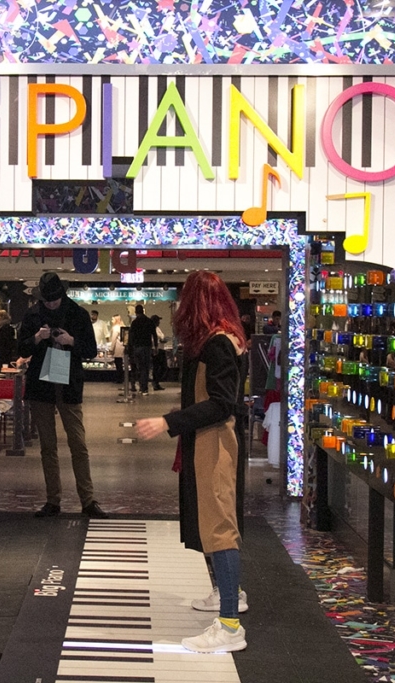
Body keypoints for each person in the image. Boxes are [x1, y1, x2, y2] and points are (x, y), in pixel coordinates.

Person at [135, 271, 248, 654]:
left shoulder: (217, 343)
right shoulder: (224, 339)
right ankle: (227, 598)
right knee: (214, 523)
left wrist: (168, 422)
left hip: (213, 443)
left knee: (219, 528)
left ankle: (230, 623)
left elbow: (220, 403)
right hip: (209, 441)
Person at [18, 272, 109, 519]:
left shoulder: (77, 314)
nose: (50, 304)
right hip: (41, 386)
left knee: (78, 444)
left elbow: (90, 350)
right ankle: (52, 500)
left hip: (69, 385)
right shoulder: (33, 315)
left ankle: (88, 500)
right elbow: (20, 348)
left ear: (62, 295)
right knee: (47, 447)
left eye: (54, 300)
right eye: (46, 300)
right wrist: (37, 337)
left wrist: (71, 341)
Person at [128, 304, 158, 395]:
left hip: (137, 347)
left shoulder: (134, 323)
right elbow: (154, 335)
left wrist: (130, 348)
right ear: (143, 311)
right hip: (147, 347)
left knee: (138, 367)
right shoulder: (149, 321)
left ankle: (139, 385)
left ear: (136, 312)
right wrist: (155, 346)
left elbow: (131, 336)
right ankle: (144, 388)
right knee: (145, 368)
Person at [151, 314, 167, 391]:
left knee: (162, 367)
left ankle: (156, 381)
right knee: (157, 367)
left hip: (161, 349)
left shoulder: (158, 329)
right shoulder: (152, 329)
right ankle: (155, 382)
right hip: (157, 349)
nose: (159, 322)